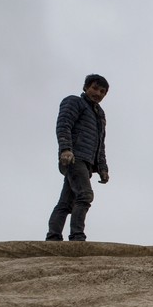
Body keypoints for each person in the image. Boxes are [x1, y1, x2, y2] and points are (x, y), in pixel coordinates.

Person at [46, 74, 110, 241]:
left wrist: (102, 168)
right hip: (75, 158)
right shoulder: (75, 102)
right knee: (85, 195)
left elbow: (100, 143)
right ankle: (77, 236)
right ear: (86, 87)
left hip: (87, 162)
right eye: (95, 88)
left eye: (102, 91)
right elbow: (64, 124)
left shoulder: (99, 115)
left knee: (66, 202)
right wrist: (65, 149)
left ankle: (53, 237)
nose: (98, 93)